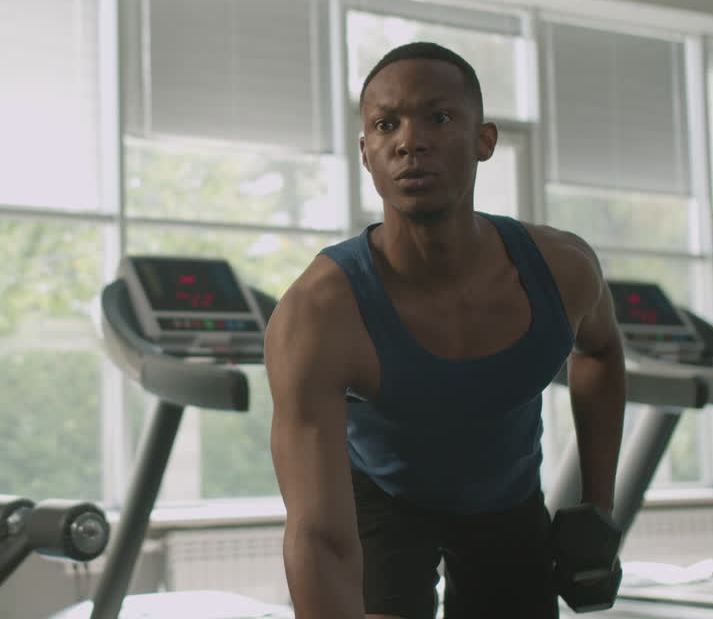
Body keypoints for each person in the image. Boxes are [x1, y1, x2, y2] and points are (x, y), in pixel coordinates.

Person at [266, 42, 626, 619]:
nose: (410, 141)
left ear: (485, 140)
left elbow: (602, 352)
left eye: (438, 117)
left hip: (507, 498)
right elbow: (317, 539)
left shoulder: (563, 270)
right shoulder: (319, 313)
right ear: (367, 153)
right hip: (381, 500)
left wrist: (597, 508)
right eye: (387, 124)